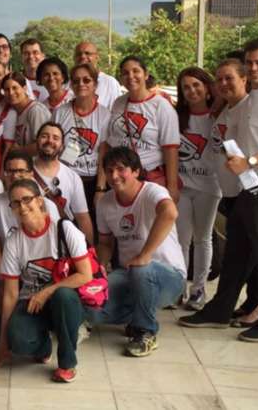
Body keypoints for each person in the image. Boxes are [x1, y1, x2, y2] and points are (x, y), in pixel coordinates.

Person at [180, 38, 258, 342]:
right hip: (250, 184)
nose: (255, 67)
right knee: (237, 252)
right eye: (250, 62)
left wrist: (250, 162)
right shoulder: (255, 97)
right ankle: (220, 309)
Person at [91, 146, 185, 357]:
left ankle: (145, 332)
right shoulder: (105, 202)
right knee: (93, 303)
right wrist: (100, 269)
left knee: (142, 270)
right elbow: (105, 244)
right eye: (109, 170)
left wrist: (145, 254)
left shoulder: (152, 190)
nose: (114, 176)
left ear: (135, 171)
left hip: (167, 275)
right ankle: (136, 314)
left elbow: (170, 212)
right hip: (127, 274)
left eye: (120, 169)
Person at [0, 179, 90, 382]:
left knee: (63, 295)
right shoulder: (14, 242)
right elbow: (11, 293)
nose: (22, 206)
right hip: (30, 302)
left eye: (26, 199)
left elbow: (85, 274)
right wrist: (3, 340)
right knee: (19, 341)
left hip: (64, 299)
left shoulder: (64, 229)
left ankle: (67, 363)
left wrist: (47, 291)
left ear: (39, 201)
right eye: (15, 203)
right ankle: (44, 346)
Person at [208, 59, 258, 324]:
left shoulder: (248, 108)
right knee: (243, 251)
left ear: (244, 79)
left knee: (251, 252)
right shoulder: (227, 109)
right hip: (228, 191)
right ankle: (250, 303)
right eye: (219, 80)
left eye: (229, 78)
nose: (223, 84)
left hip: (245, 189)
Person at [100, 55, 181, 203]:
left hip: (150, 178)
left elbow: (171, 149)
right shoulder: (118, 103)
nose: (131, 76)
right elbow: (111, 141)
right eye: (125, 73)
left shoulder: (161, 105)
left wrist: (172, 186)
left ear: (146, 74)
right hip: (121, 178)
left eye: (135, 71)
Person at [174, 67, 221, 309]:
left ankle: (199, 289)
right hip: (182, 186)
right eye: (186, 87)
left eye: (196, 85)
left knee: (202, 239)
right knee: (181, 240)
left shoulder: (219, 115)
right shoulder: (177, 116)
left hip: (209, 187)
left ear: (207, 87)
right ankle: (178, 287)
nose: (191, 90)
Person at [53, 62, 111, 228]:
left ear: (95, 84)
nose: (81, 84)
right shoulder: (60, 112)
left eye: (87, 80)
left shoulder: (105, 114)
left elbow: (103, 153)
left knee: (94, 229)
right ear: (71, 84)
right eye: (76, 81)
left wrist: (100, 189)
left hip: (92, 181)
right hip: (67, 181)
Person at [0, 150, 61, 275]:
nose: (15, 176)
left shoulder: (47, 204)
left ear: (31, 174)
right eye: (10, 171)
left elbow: (56, 243)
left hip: (43, 268)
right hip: (9, 266)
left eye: (21, 171)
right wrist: (1, 284)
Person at [32, 123, 94, 243]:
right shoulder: (24, 169)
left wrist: (90, 252)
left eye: (55, 138)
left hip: (62, 239)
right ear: (37, 141)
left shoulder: (73, 177)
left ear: (62, 146)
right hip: (32, 238)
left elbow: (82, 218)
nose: (50, 140)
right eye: (45, 136)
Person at [3, 72, 51, 155]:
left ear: (24, 88)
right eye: (7, 89)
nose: (11, 93)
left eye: (15, 88)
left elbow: (43, 144)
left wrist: (20, 150)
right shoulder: (14, 111)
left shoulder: (35, 110)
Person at [73, 41, 122, 109]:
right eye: (79, 54)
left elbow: (117, 112)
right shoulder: (68, 83)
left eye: (87, 53)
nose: (83, 56)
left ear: (97, 57)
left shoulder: (110, 83)